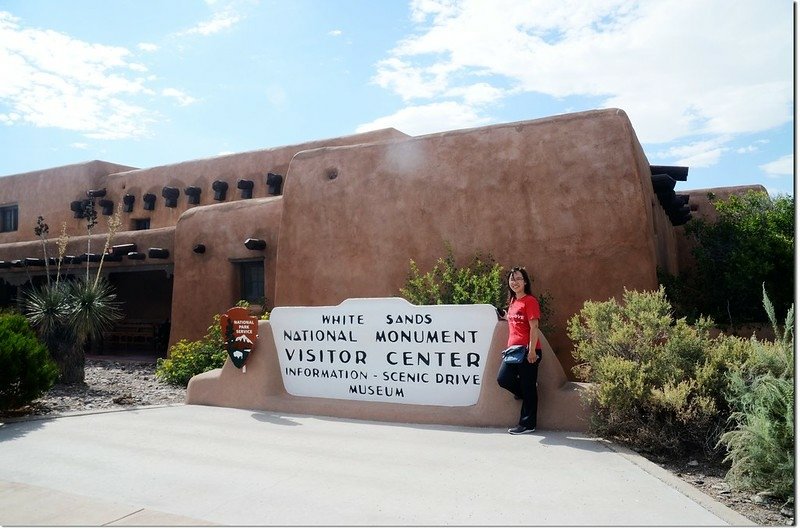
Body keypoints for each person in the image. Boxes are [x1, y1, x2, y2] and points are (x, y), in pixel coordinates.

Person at [496, 266, 542, 435]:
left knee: (528, 387)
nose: (514, 282)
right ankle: (526, 391)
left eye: (518, 279)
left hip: (528, 350)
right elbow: (514, 319)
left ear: (525, 282)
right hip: (513, 351)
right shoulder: (513, 301)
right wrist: (505, 316)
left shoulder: (530, 301)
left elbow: (534, 326)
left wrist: (531, 351)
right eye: (511, 279)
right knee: (503, 379)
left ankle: (527, 424)